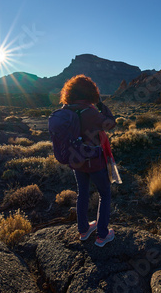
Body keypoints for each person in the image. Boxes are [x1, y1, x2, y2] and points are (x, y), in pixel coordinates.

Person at [59, 75, 117, 247]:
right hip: (94, 160)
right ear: (90, 92)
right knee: (105, 194)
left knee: (82, 193)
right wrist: (100, 104)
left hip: (76, 159)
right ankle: (102, 235)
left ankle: (83, 230)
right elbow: (111, 123)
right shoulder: (89, 111)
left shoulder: (66, 110)